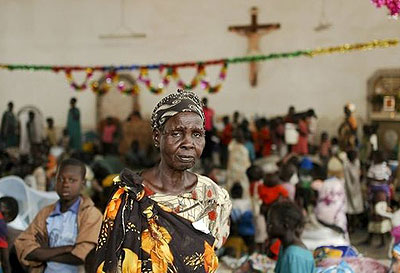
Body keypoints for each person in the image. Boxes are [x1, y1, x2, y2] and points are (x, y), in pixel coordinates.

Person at [94, 89, 232, 273]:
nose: (188, 143)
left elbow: (211, 253)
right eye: (177, 133)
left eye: (197, 134)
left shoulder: (213, 197)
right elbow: (110, 263)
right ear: (157, 137)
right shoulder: (129, 196)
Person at [15, 158, 103, 273]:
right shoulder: (46, 213)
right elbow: (24, 247)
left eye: (72, 180)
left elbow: (82, 255)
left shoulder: (91, 215)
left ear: (83, 184)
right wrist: (65, 249)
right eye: (60, 179)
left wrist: (45, 252)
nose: (65, 184)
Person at [267, 201, 315, 273]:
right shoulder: (284, 247)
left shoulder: (294, 256)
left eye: (271, 224)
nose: (268, 227)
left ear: (285, 225)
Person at [246, 165, 267, 253]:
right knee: (261, 233)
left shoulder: (253, 185)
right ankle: (261, 251)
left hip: (256, 211)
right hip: (259, 211)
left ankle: (259, 251)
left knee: (259, 233)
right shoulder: (259, 185)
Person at [226, 129, 251, 197]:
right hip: (241, 172)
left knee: (232, 186)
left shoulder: (231, 146)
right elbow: (246, 163)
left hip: (233, 171)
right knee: (242, 189)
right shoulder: (243, 149)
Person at [343, 150, 364, 232]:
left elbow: (358, 175)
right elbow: (347, 179)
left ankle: (354, 224)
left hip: (356, 187)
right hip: (349, 188)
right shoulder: (346, 165)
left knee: (355, 208)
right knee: (349, 209)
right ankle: (350, 225)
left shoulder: (357, 162)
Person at [201, 97, 215, 166]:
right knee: (202, 145)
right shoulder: (200, 111)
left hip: (209, 131)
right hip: (202, 131)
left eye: (205, 102)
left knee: (209, 145)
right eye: (203, 102)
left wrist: (213, 129)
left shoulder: (210, 111)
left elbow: (212, 121)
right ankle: (202, 160)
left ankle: (208, 159)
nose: (205, 103)